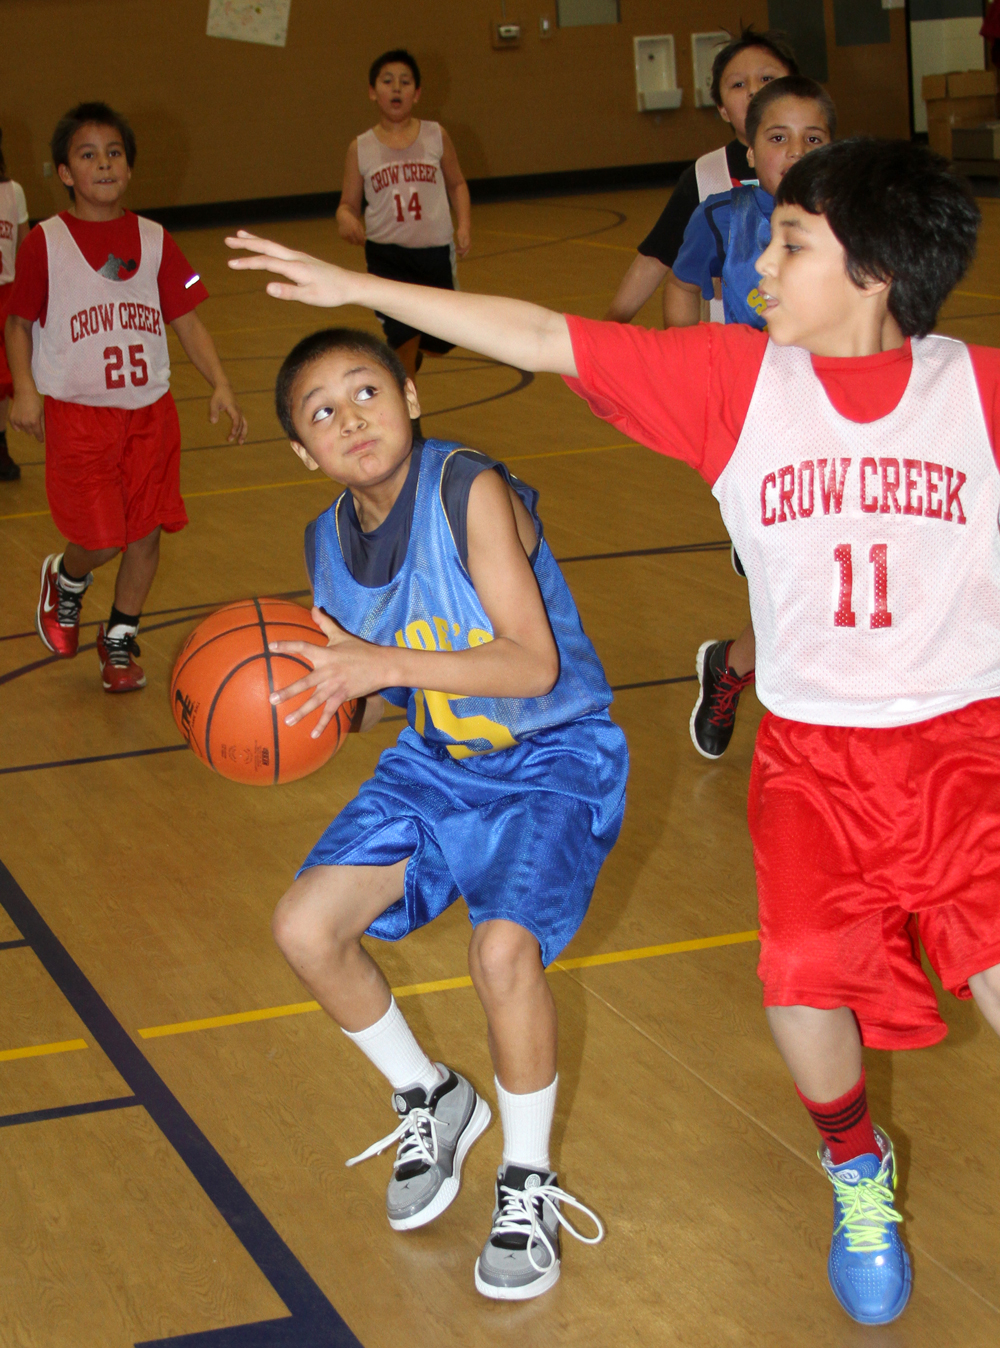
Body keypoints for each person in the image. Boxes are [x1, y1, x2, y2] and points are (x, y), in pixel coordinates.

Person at [227, 135, 1000, 1328]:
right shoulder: (735, 382)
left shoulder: (980, 392)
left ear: (876, 270)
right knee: (801, 991)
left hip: (963, 742)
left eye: (789, 243)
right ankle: (857, 1175)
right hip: (812, 757)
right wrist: (363, 289)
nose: (757, 266)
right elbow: (541, 336)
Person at [259, 327, 626, 1300]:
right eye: (322, 412)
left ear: (411, 398)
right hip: (439, 759)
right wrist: (311, 700)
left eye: (367, 390)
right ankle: (430, 1092)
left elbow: (528, 663)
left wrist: (378, 668)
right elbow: (381, 685)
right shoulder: (322, 542)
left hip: (554, 753)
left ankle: (527, 1178)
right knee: (304, 925)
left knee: (502, 953)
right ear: (305, 452)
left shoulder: (471, 488)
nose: (353, 418)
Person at [5, 102, 247, 693]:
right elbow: (16, 321)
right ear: (64, 172)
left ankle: (119, 638)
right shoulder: (45, 242)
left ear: (129, 167)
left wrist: (220, 382)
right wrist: (26, 392)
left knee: (145, 534)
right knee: (100, 539)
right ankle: (66, 578)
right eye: (87, 155)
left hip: (150, 413)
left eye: (114, 153)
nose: (104, 164)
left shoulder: (155, 239)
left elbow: (186, 318)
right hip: (79, 414)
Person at [671, 75, 835, 758]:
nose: (795, 152)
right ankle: (743, 669)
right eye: (778, 138)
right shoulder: (722, 218)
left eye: (814, 139)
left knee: (821, 585)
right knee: (805, 585)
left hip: (838, 426)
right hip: (758, 436)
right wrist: (686, 378)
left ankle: (736, 667)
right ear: (747, 144)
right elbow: (682, 284)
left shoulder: (858, 219)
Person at [604, 26, 797, 326]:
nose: (754, 91)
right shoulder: (705, 175)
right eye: (737, 85)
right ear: (722, 109)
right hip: (730, 355)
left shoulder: (829, 168)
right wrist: (609, 329)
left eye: (767, 78)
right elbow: (655, 259)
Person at [336, 46, 471, 430]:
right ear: (372, 91)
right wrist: (346, 220)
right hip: (387, 257)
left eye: (405, 81)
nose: (396, 88)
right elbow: (347, 204)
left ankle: (417, 353)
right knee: (402, 335)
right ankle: (407, 419)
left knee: (440, 339)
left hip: (433, 254)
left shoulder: (435, 136)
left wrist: (464, 225)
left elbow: (457, 183)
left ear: (418, 92)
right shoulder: (360, 147)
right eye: (387, 81)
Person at [0, 126, 30, 481]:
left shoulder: (13, 192)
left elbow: (24, 247)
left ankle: (1, 445)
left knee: (4, 381)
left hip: (6, 293)